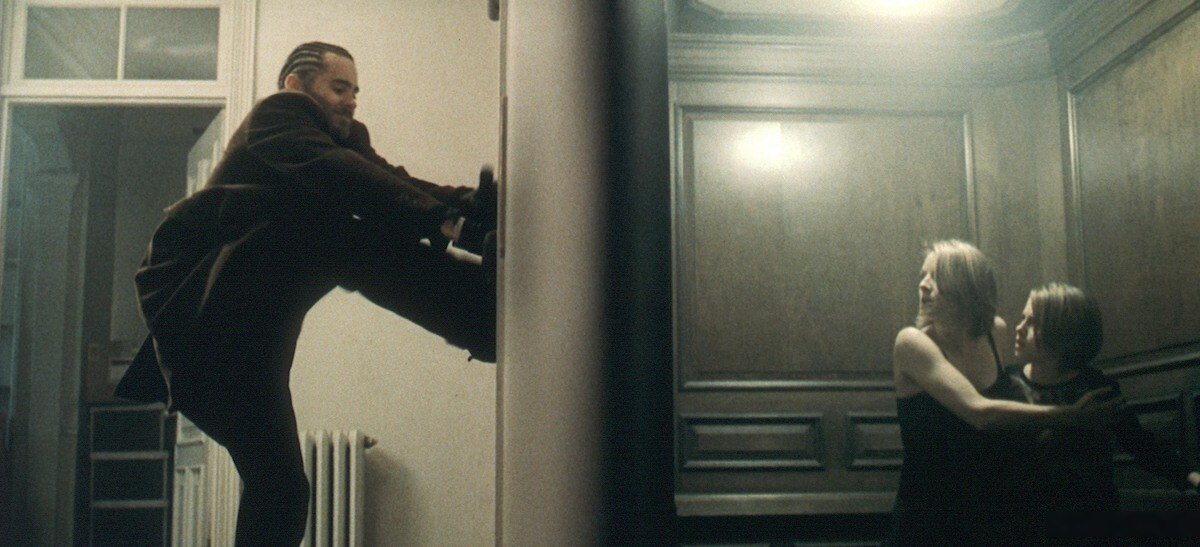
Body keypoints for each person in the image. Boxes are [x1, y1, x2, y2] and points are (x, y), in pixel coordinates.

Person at [114, 41, 496, 545]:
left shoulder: (341, 139)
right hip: (205, 318)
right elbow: (343, 175)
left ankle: (479, 315)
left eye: (355, 91)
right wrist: (451, 222)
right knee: (338, 234)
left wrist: (463, 203)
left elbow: (386, 179)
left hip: (238, 355)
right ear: (296, 85)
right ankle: (481, 316)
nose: (351, 100)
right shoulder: (278, 115)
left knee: (281, 489)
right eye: (339, 87)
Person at [889, 240, 1120, 545]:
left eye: (936, 276)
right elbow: (979, 412)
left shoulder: (995, 332)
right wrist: (1069, 415)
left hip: (990, 509)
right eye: (922, 276)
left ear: (967, 286)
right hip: (931, 510)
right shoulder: (911, 342)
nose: (923, 285)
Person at [1009, 282, 1200, 540]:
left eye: (1032, 322)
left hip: (1091, 521)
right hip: (1029, 524)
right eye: (1023, 318)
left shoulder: (1095, 387)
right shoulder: (1009, 386)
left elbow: (1139, 443)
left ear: (1062, 333)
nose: (1019, 328)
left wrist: (1189, 475)